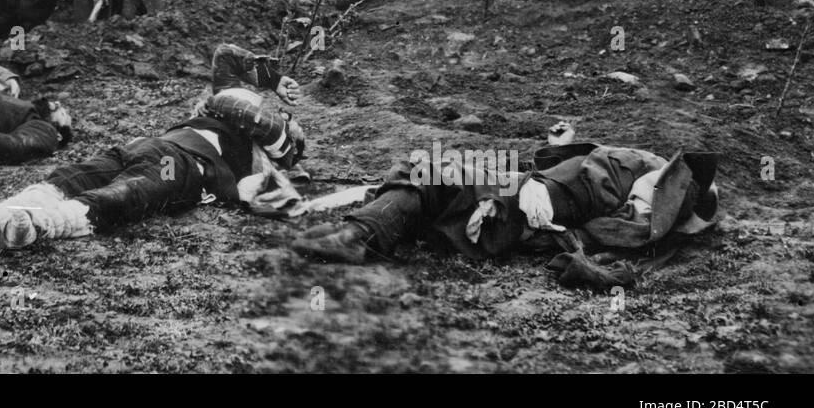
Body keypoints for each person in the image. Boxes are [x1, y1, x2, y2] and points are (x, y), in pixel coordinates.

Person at [0, 44, 306, 251]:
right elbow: (226, 57)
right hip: (151, 146)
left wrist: (282, 138)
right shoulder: (229, 114)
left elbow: (250, 126)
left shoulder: (262, 161)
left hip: (185, 165)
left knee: (122, 195)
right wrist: (274, 80)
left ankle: (33, 226)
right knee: (71, 176)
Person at [291, 140, 718, 290]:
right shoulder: (639, 184)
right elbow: (588, 180)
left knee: (429, 171)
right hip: (525, 204)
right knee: (433, 183)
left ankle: (359, 238)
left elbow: (587, 184)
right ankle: (367, 230)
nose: (642, 211)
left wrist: (546, 197)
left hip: (522, 210)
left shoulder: (640, 184)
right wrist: (544, 193)